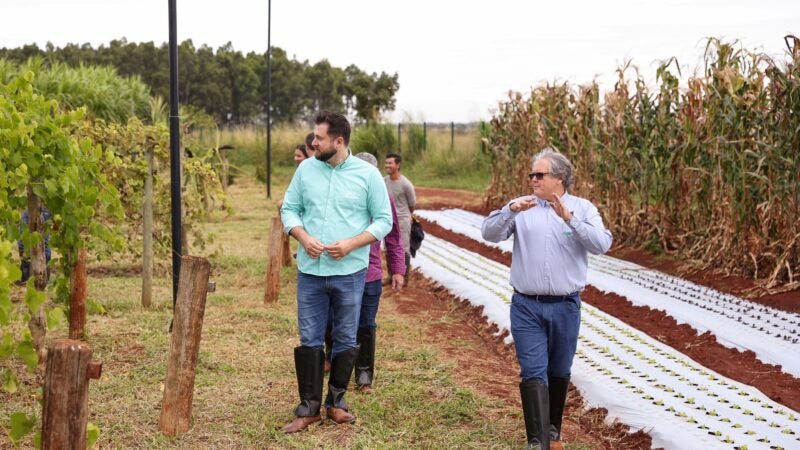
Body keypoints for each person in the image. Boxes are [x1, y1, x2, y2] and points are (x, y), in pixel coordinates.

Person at [481, 148, 612, 450]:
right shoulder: (522, 207)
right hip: (526, 305)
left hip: (566, 306)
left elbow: (602, 244)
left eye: (540, 175)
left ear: (560, 178)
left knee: (558, 370)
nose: (533, 180)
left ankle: (552, 432)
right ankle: (537, 442)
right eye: (532, 175)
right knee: (533, 370)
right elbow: (489, 233)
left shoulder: (583, 208)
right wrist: (509, 210)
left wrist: (570, 220)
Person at [280, 111, 393, 433]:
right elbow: (289, 209)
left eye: (319, 137)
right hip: (311, 271)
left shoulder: (367, 175)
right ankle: (309, 407)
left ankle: (336, 402)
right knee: (310, 337)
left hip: (349, 271)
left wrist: (352, 244)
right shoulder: (306, 170)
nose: (313, 142)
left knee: (345, 336)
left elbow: (383, 220)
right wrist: (302, 236)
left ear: (339, 141)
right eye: (314, 137)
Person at [323, 152, 406, 392]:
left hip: (369, 274)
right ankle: (335, 361)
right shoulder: (340, 195)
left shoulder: (384, 198)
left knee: (366, 324)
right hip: (339, 270)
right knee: (335, 321)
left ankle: (364, 374)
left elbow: (393, 237)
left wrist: (397, 270)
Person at [383, 153, 416, 278]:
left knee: (403, 248)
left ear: (398, 165)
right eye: (386, 163)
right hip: (387, 220)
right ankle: (391, 275)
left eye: (390, 163)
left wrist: (407, 216)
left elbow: (412, 205)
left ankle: (404, 276)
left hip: (402, 220)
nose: (387, 165)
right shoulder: (383, 181)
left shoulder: (406, 184)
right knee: (388, 247)